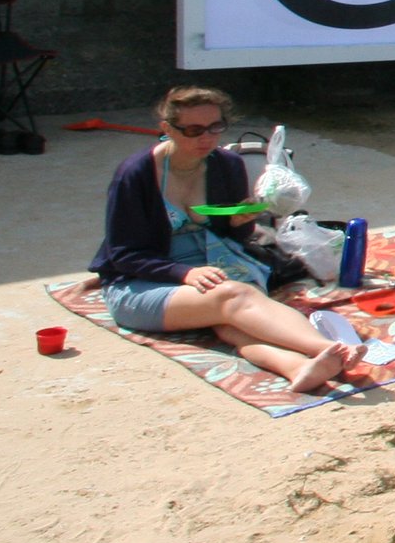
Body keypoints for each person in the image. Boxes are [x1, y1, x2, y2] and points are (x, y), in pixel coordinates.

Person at [88, 86, 361, 394]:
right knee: (233, 296)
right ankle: (327, 348)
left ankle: (297, 367)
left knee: (233, 324)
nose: (206, 138)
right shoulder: (136, 173)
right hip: (143, 279)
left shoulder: (226, 165)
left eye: (215, 128)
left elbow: (237, 236)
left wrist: (239, 224)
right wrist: (185, 273)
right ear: (167, 129)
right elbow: (124, 254)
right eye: (193, 130)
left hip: (212, 260)